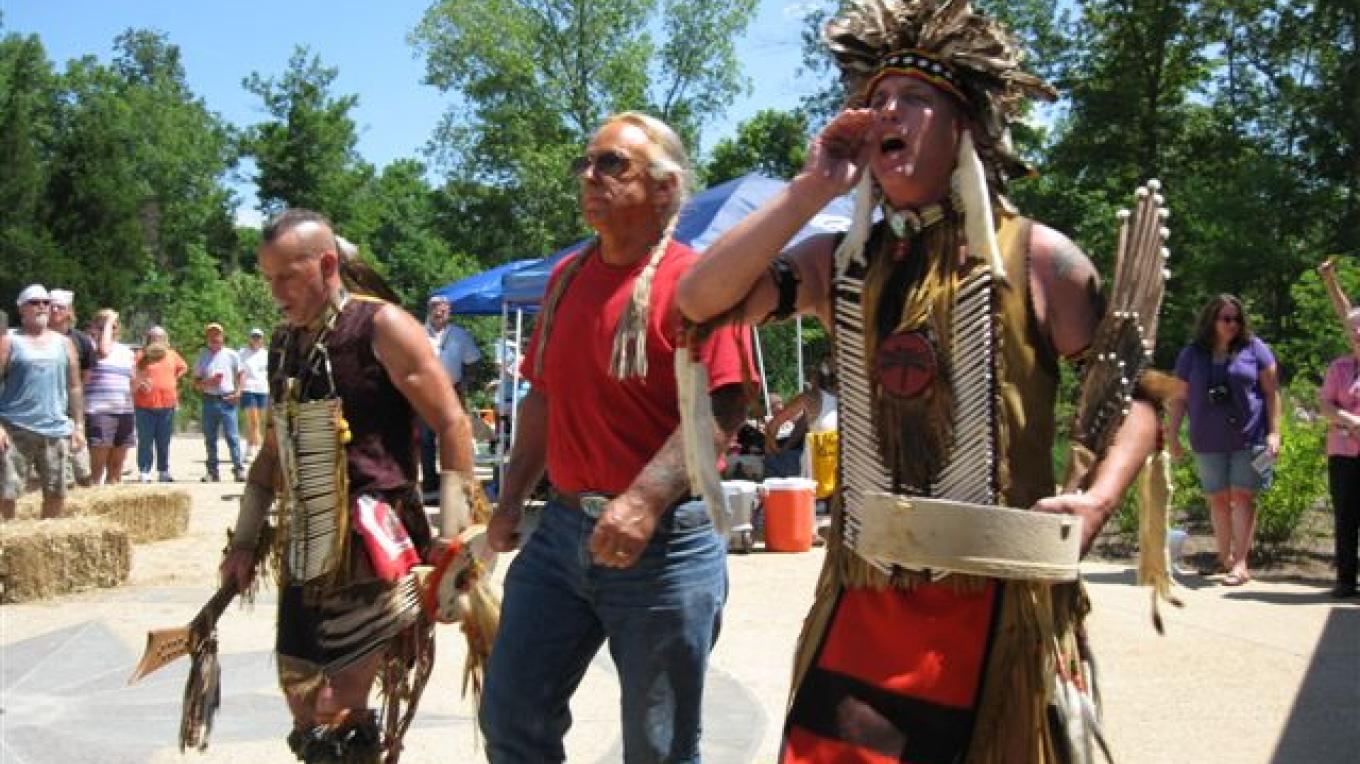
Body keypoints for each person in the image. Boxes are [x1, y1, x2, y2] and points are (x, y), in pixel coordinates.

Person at [675, 1, 1159, 759]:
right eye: (878, 99)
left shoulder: (1039, 259)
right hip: (865, 593)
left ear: (965, 128)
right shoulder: (839, 262)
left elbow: (1139, 399)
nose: (887, 112)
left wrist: (1098, 500)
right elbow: (699, 300)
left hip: (999, 599)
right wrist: (810, 190)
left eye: (915, 98)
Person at [479, 112, 751, 763]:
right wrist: (510, 500)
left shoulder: (699, 282)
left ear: (665, 187)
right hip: (563, 532)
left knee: (659, 749)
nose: (589, 176)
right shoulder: (567, 279)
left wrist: (645, 500)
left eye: (611, 164)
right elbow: (543, 396)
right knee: (511, 716)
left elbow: (722, 408)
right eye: (586, 163)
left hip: (666, 544)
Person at [219, 209, 478, 762]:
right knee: (302, 698)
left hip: (373, 543)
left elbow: (453, 422)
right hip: (306, 546)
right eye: (268, 278)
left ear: (327, 264)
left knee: (335, 706)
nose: (276, 292)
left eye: (287, 276)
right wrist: (243, 542)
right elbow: (272, 455)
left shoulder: (382, 327)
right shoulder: (285, 344)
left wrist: (452, 538)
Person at [1166, 295, 1281, 586]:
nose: (1232, 324)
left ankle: (1241, 563)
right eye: (1226, 319)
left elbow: (1271, 393)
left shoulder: (1255, 347)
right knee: (1217, 497)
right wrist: (1173, 434)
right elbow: (1179, 398)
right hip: (1207, 436)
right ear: (1211, 320)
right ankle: (1224, 557)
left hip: (1250, 436)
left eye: (1237, 319)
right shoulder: (1192, 354)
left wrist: (1274, 432)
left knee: (1243, 495)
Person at [0, 285, 84, 520]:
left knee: (57, 490)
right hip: (16, 427)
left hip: (55, 428)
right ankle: (7, 537)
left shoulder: (64, 343)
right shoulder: (9, 341)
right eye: (35, 302)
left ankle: (48, 531)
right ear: (21, 309)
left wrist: (79, 426)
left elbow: (75, 386)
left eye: (46, 302)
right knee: (7, 492)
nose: (42, 307)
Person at [1317, 309, 1360, 598]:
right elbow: (1325, 405)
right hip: (1343, 451)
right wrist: (1351, 421)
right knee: (1345, 515)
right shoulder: (1339, 367)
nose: (1358, 333)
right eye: (1353, 328)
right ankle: (1345, 579)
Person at [420, 295, 482, 494]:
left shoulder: (460, 335)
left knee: (454, 436)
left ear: (449, 312)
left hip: (452, 389)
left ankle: (454, 483)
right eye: (436, 309)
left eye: (444, 310)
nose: (440, 313)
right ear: (429, 310)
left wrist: (466, 383)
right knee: (425, 439)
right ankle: (430, 483)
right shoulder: (418, 333)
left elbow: (474, 362)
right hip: (426, 390)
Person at [764, 362, 838, 499]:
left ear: (814, 379)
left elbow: (772, 426)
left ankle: (774, 500)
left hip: (816, 470)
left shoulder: (810, 398)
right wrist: (785, 448)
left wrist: (773, 451)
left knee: (770, 461)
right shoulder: (845, 399)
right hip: (838, 469)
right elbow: (800, 429)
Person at [83, 308, 137, 485]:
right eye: (104, 326)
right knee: (97, 468)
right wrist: (109, 320)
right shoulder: (90, 348)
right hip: (99, 411)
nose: (109, 330)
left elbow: (132, 382)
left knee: (116, 467)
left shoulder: (127, 352)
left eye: (114, 326)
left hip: (124, 410)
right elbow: (104, 350)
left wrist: (140, 382)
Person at [48, 288, 94, 487]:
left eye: (60, 306)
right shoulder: (35, 338)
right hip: (43, 409)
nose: (55, 310)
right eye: (51, 306)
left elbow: (86, 376)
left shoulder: (81, 340)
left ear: (69, 311)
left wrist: (73, 399)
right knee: (55, 469)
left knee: (82, 469)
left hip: (69, 408)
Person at [133, 326, 188, 482]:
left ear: (165, 339)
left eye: (160, 337)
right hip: (145, 405)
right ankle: (144, 471)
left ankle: (163, 471)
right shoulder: (141, 355)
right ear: (148, 339)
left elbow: (183, 368)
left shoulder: (172, 354)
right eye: (153, 337)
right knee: (145, 440)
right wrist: (141, 382)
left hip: (167, 404)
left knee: (164, 440)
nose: (157, 340)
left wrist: (173, 379)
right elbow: (132, 373)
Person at [194, 323, 245, 482]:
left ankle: (238, 469)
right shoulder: (202, 356)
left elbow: (241, 374)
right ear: (207, 337)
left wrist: (239, 392)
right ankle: (212, 471)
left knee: (232, 437)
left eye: (217, 334)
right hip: (209, 399)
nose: (215, 338)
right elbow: (196, 382)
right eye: (211, 335)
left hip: (227, 399)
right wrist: (208, 382)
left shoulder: (231, 354)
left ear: (223, 337)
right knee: (210, 438)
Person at [239, 327, 270, 462]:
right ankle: (254, 447)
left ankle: (250, 445)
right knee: (253, 420)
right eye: (254, 337)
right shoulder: (242, 353)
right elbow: (238, 371)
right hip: (248, 388)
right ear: (250, 338)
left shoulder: (266, 354)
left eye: (258, 337)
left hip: (263, 389)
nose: (256, 339)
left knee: (259, 421)